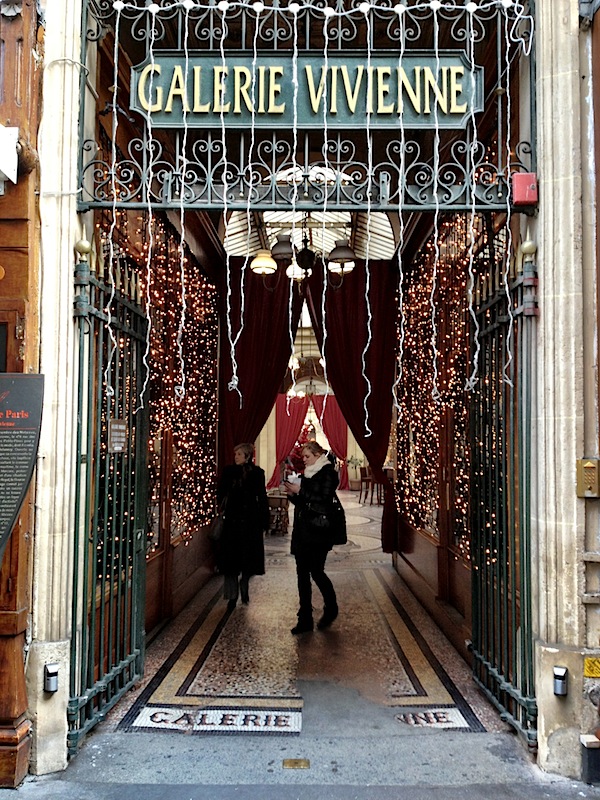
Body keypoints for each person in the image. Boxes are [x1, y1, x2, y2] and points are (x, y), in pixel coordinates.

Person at [283, 440, 339, 634]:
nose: (304, 460)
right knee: (301, 574)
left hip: (319, 531)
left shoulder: (328, 473)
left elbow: (323, 498)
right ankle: (305, 618)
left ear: (317, 455)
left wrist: (301, 490)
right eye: (303, 456)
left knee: (316, 571)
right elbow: (303, 502)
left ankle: (331, 607)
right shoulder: (306, 474)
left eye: (307, 456)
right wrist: (292, 494)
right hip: (303, 530)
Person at [216, 442, 269, 610]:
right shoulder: (229, 472)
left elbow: (262, 496)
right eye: (235, 454)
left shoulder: (257, 473)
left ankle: (244, 582)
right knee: (230, 562)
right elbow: (220, 494)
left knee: (249, 558)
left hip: (251, 522)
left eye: (239, 454)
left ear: (247, 456)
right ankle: (231, 596)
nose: (236, 457)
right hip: (232, 521)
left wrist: (264, 520)